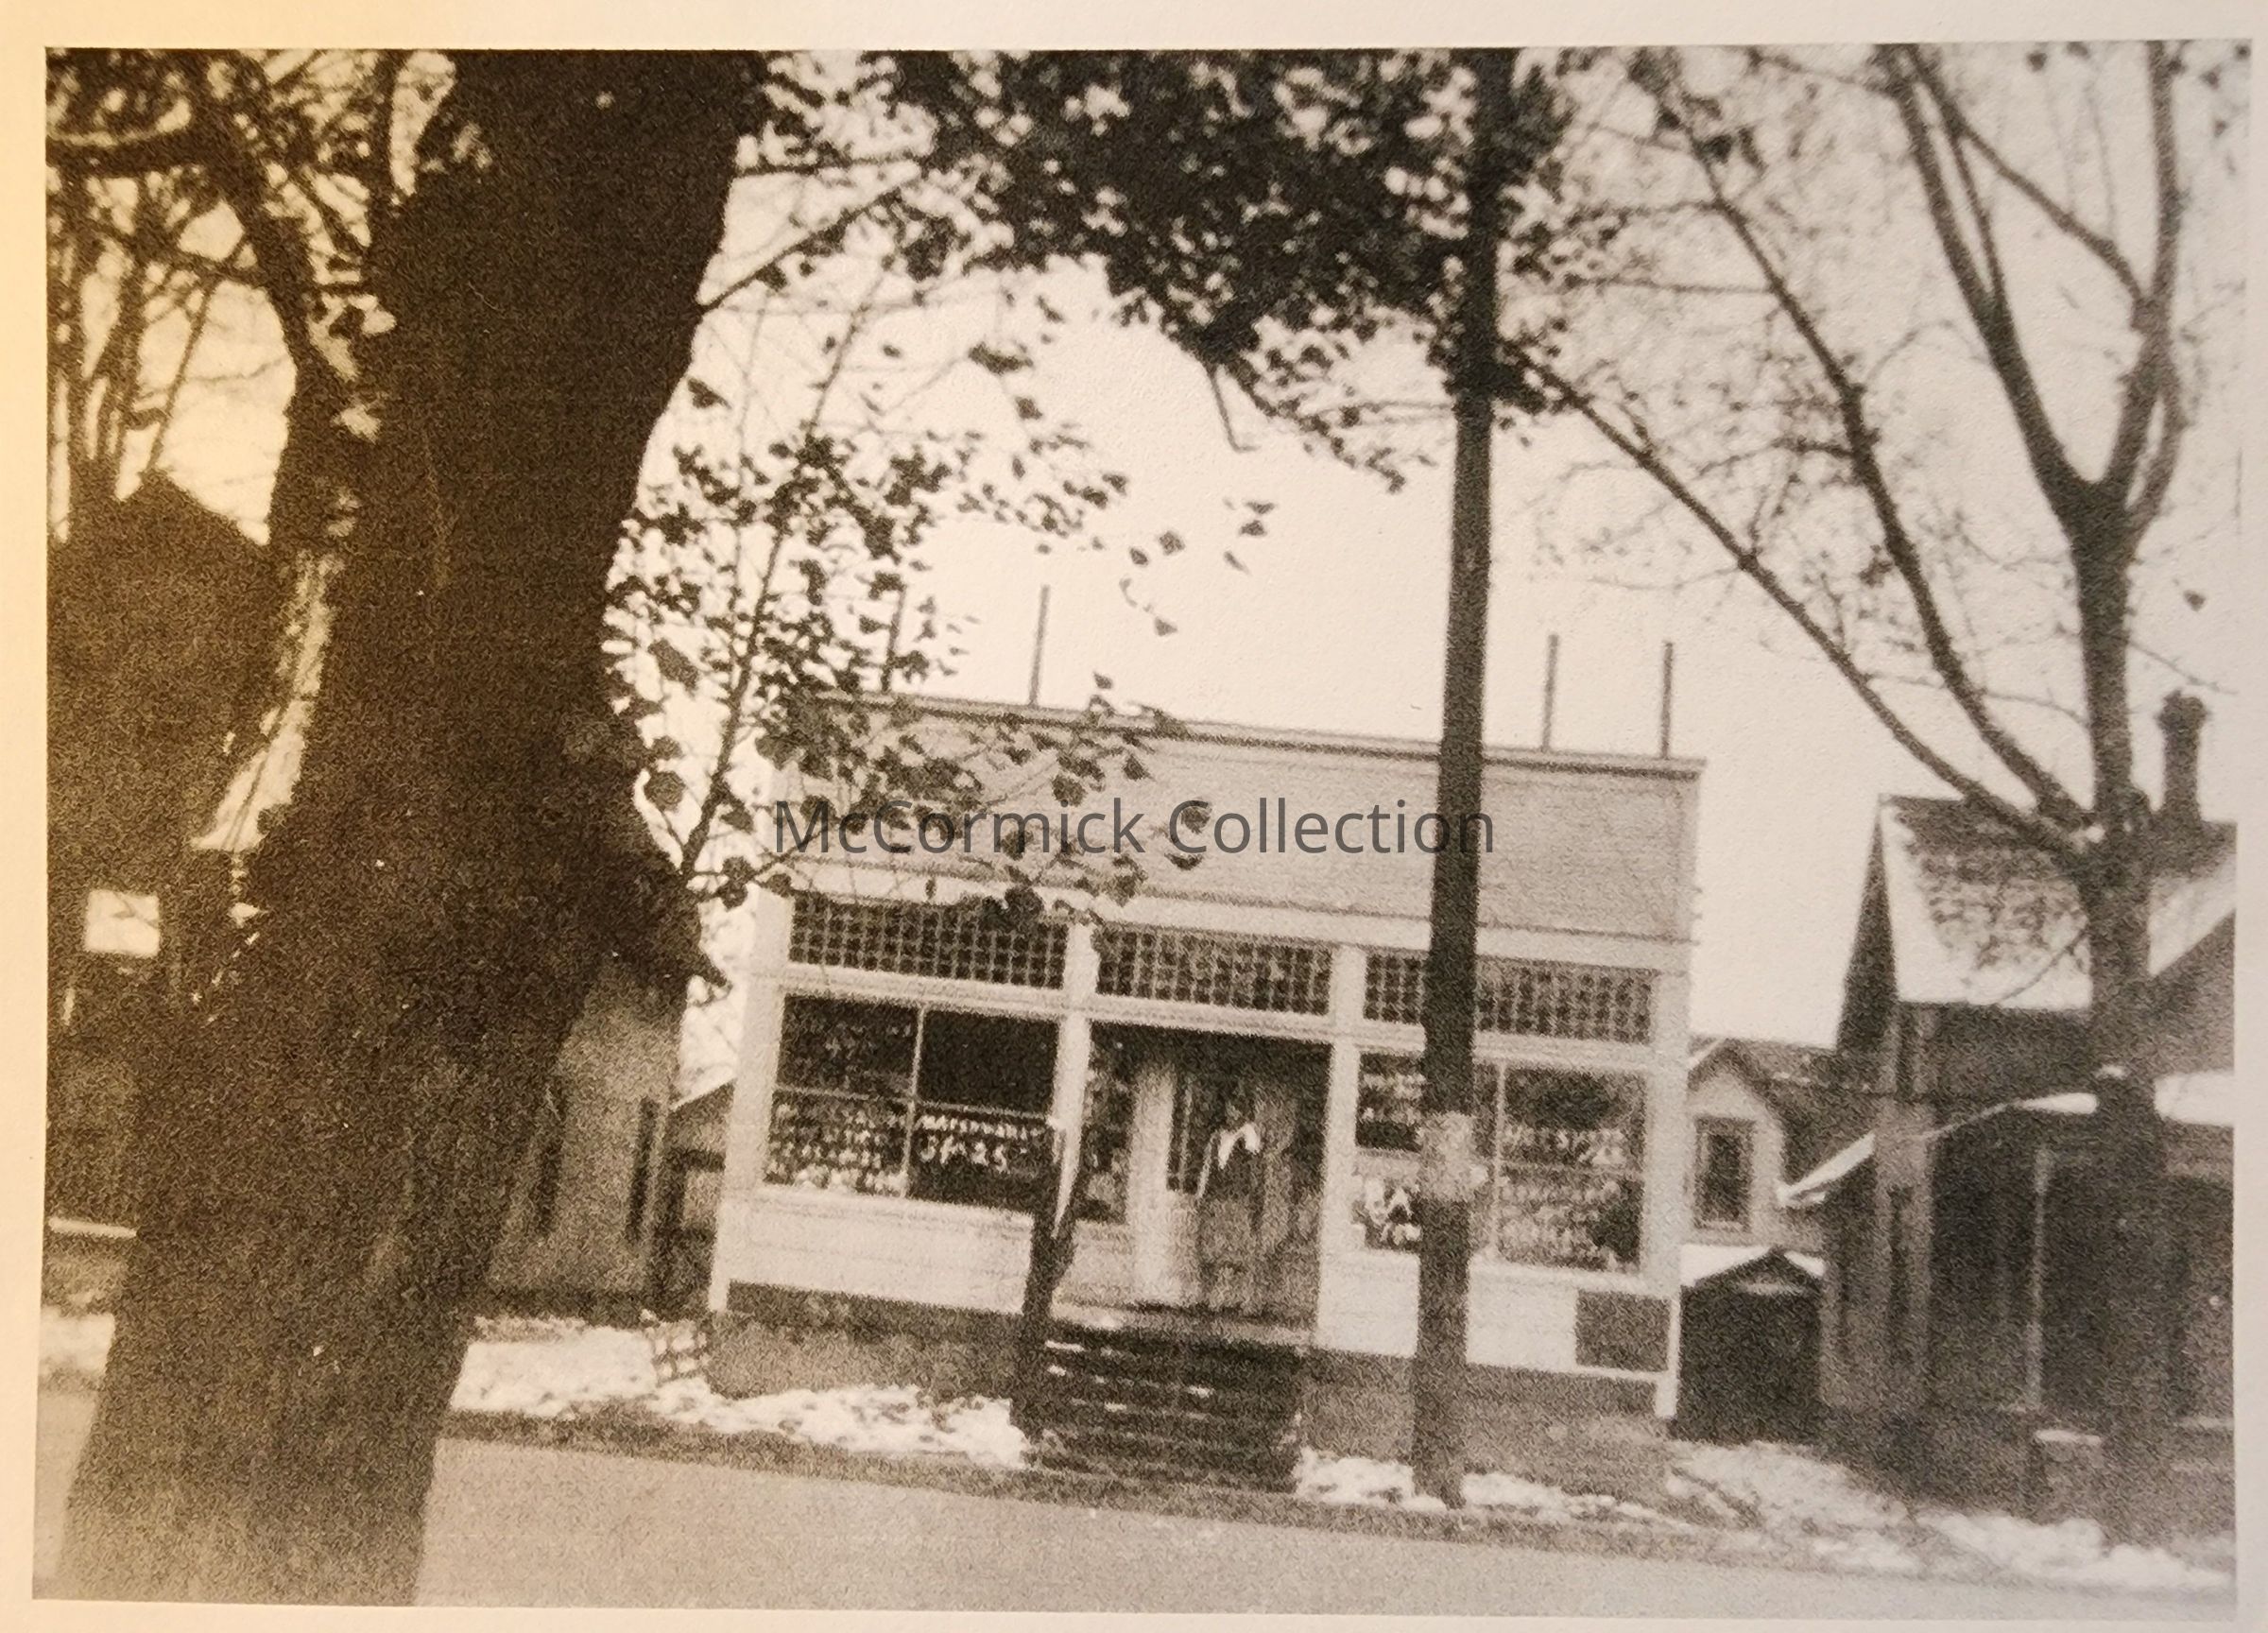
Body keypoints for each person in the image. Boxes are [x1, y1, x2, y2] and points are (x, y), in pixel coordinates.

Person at [1194, 1091, 1265, 1315]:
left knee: (1238, 1252)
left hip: (1238, 1200)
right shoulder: (1218, 1137)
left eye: (1235, 1109)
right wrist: (1201, 1194)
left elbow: (1255, 1172)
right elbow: (1207, 1167)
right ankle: (1217, 1297)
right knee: (1217, 1250)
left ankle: (1244, 1301)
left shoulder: (1249, 1136)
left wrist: (1254, 1199)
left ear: (1243, 1112)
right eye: (1228, 1109)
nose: (1230, 1113)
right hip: (1218, 1198)